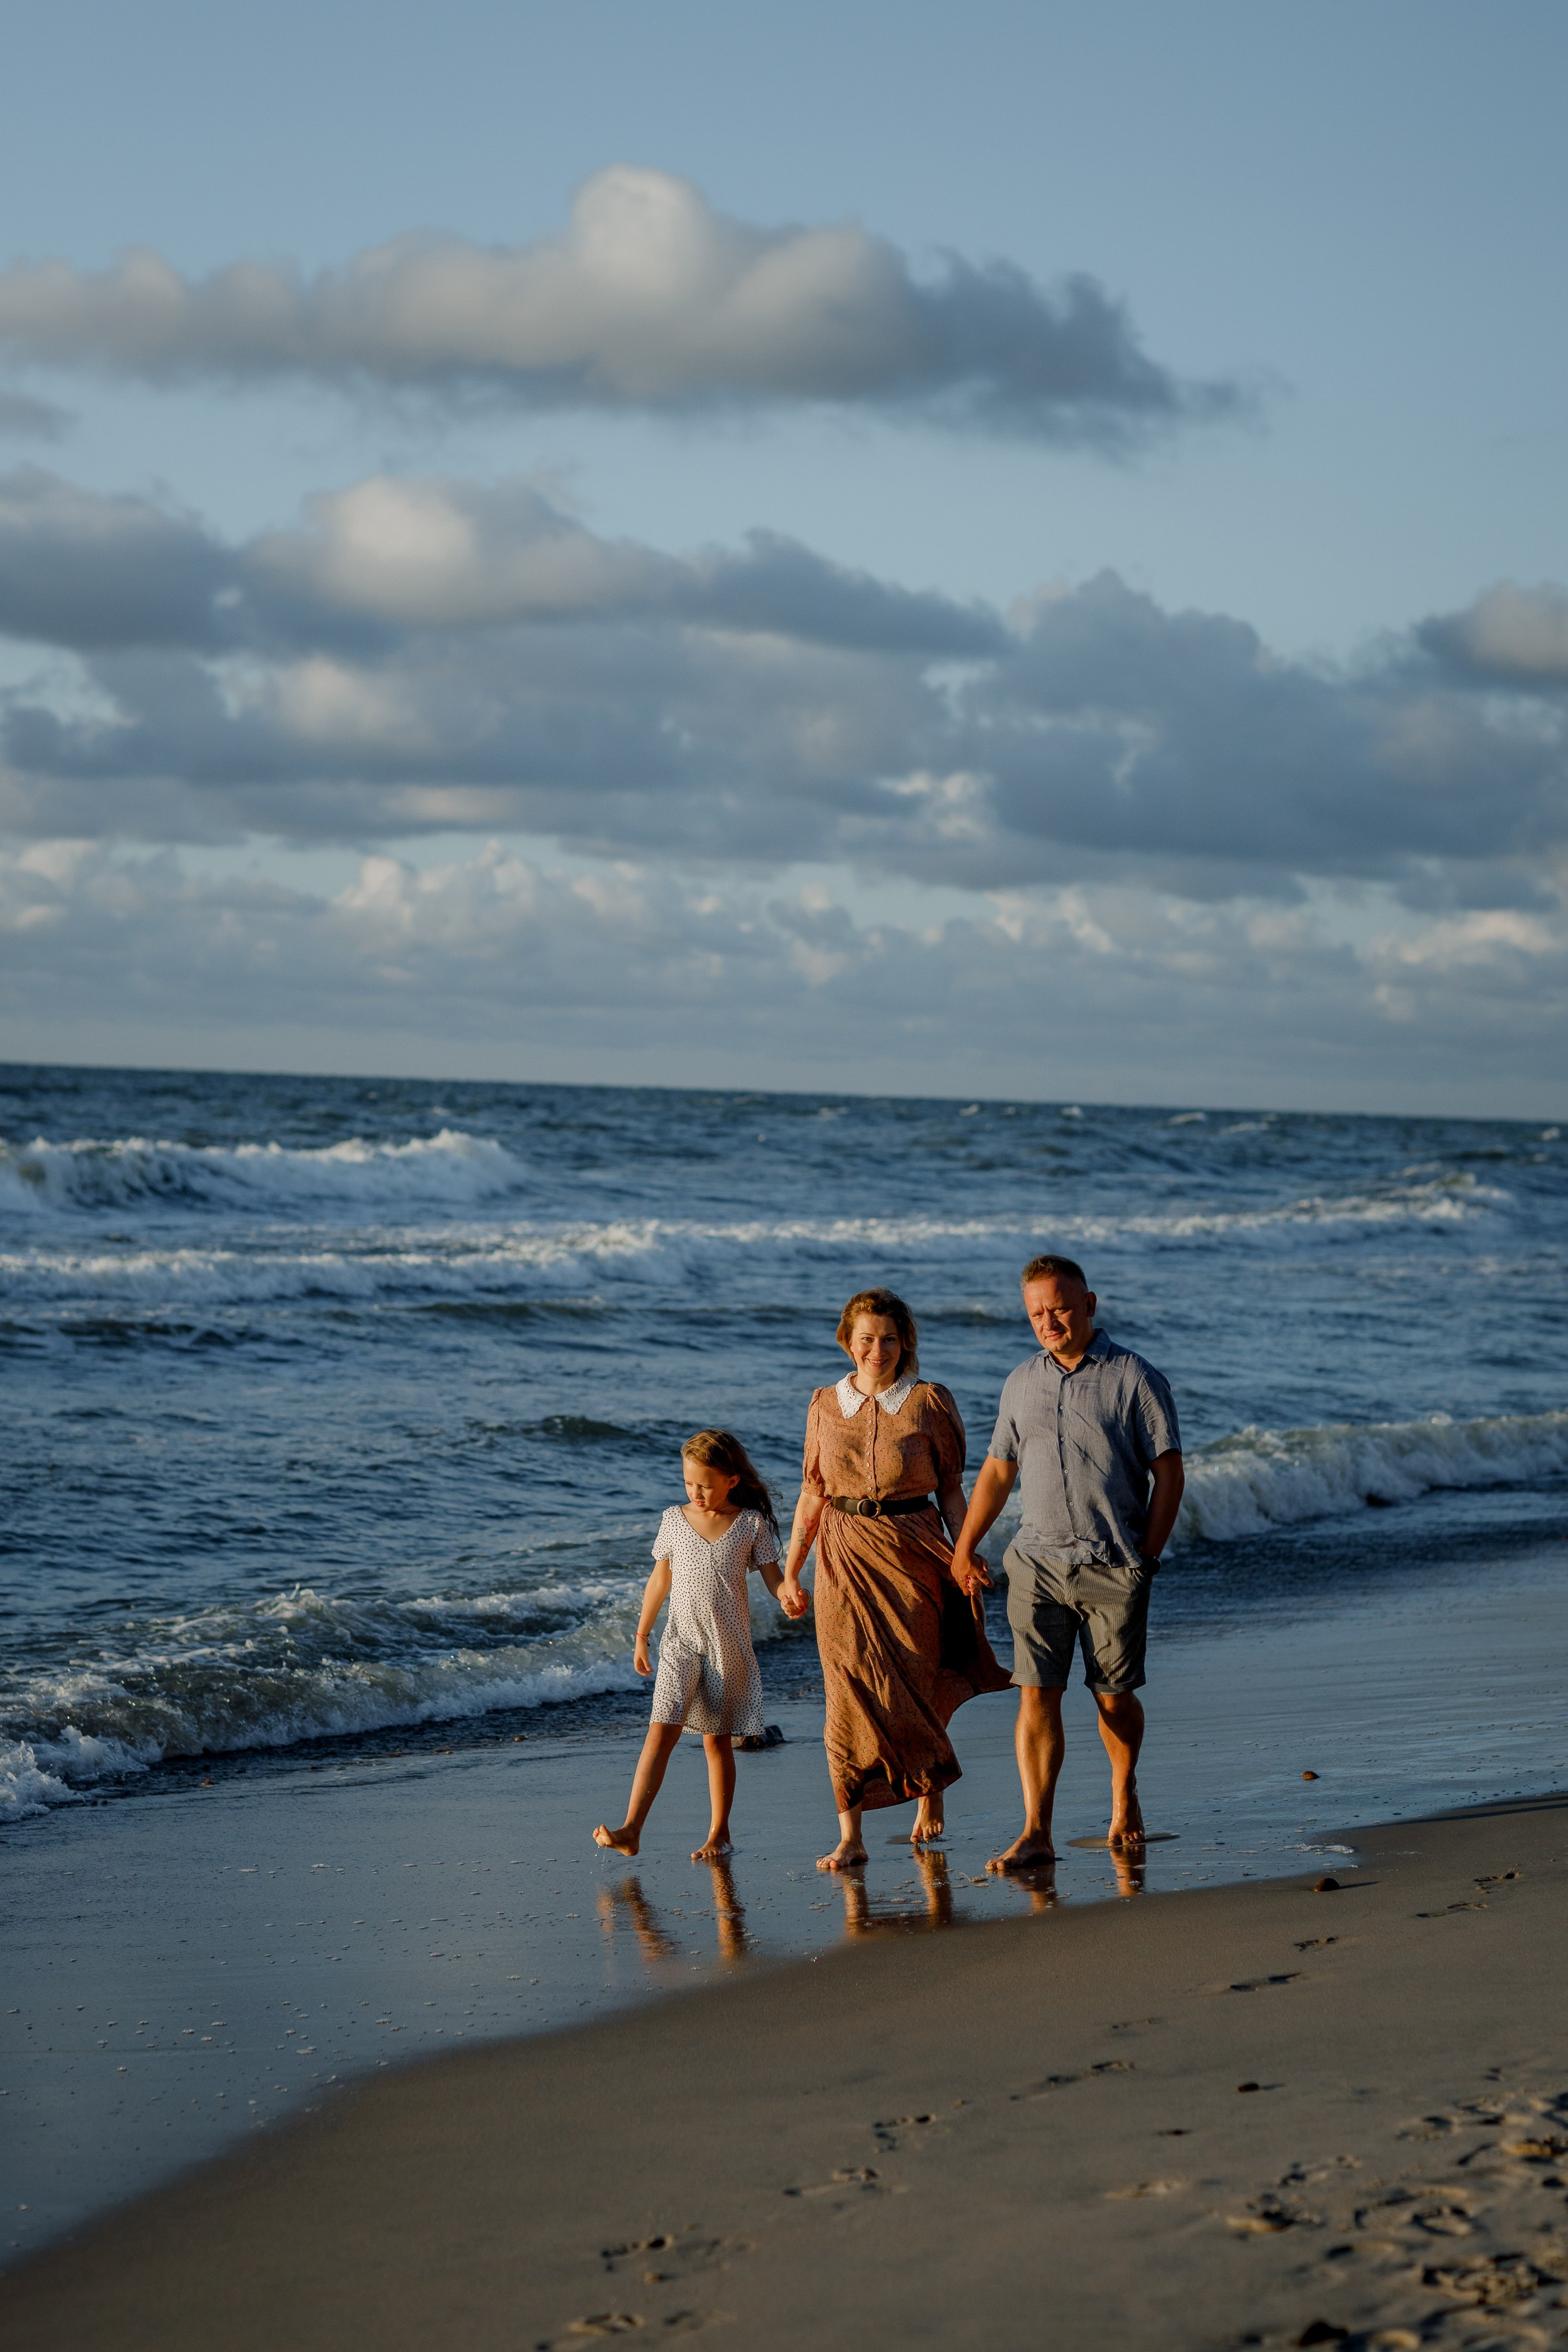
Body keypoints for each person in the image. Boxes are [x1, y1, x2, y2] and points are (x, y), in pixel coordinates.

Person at [950, 1255, 1184, 1869]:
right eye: (1036, 1312)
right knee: (1036, 1695)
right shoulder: (1020, 1381)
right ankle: (1036, 1831)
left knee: (1113, 1698)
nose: (1048, 1320)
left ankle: (1123, 1789)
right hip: (1036, 1563)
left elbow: (1170, 1473)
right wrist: (964, 1546)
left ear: (1089, 1304)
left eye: (1058, 1307)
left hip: (1114, 1563)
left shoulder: (1136, 1377)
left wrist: (1147, 1559)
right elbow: (999, 1471)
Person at [778, 1288, 1010, 1872]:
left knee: (916, 1673)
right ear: (847, 1341)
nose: (876, 1348)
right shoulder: (823, 1404)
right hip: (842, 1553)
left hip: (914, 1552)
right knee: (846, 1687)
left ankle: (928, 1786)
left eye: (888, 1337)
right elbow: (812, 1493)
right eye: (866, 1338)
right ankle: (850, 1834)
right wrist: (790, 1571)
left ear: (904, 1341)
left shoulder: (930, 1402)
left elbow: (952, 1488)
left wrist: (965, 1553)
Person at [593, 1429, 803, 1863]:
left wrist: (789, 1596)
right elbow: (660, 1580)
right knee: (659, 1732)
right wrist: (641, 1633)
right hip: (680, 1644)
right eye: (689, 1483)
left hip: (728, 1648)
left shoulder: (750, 1524)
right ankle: (631, 1829)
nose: (696, 1492)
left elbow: (773, 1577)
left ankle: (719, 1832)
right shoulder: (673, 1519)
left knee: (715, 1742)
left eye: (705, 1484)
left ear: (731, 1479)